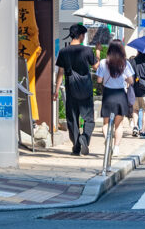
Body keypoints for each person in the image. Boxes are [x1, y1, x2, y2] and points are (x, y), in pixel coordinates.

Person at [54, 24, 98, 156]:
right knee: (89, 118)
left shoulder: (63, 51)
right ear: (80, 35)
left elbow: (60, 72)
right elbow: (96, 67)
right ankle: (84, 138)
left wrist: (56, 90)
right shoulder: (87, 51)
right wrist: (97, 52)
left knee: (72, 119)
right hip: (86, 89)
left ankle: (76, 146)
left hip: (71, 89)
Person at [95, 39, 134, 157]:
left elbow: (99, 80)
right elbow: (131, 81)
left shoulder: (103, 63)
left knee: (106, 123)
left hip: (108, 95)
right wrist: (124, 78)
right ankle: (116, 148)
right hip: (120, 95)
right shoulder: (125, 63)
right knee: (119, 124)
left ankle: (108, 140)